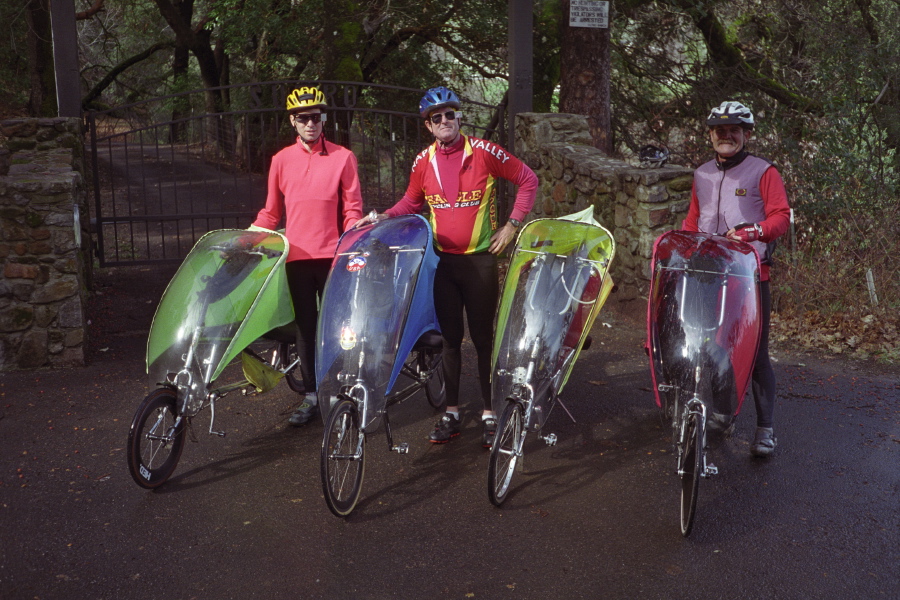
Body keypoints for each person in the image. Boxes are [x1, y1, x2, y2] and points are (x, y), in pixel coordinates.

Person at [358, 86, 538, 447]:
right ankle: (451, 412)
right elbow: (411, 201)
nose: (445, 121)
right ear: (428, 125)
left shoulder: (485, 152)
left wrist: (512, 224)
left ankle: (489, 411)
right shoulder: (423, 161)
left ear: (459, 117)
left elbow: (527, 180)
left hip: (480, 262)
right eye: (436, 117)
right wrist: (380, 217)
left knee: (484, 339)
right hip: (444, 264)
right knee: (450, 341)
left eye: (450, 114)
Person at [682, 100, 791, 457]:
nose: (726, 136)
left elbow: (781, 217)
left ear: (745, 135)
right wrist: (682, 246)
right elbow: (693, 219)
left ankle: (765, 429)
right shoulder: (702, 174)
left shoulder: (763, 171)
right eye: (719, 130)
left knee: (756, 354)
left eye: (734, 131)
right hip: (707, 273)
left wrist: (755, 231)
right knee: (707, 345)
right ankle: (722, 413)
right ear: (711, 135)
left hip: (749, 276)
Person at [252, 86, 363, 426]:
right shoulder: (280, 160)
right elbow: (271, 213)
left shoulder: (344, 157)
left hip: (333, 258)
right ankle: (312, 395)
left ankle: (343, 391)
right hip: (297, 258)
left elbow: (353, 209)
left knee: (341, 327)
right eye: (304, 119)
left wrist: (355, 240)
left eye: (316, 117)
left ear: (323, 119)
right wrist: (249, 237)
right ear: (293, 122)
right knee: (306, 328)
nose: (311, 124)